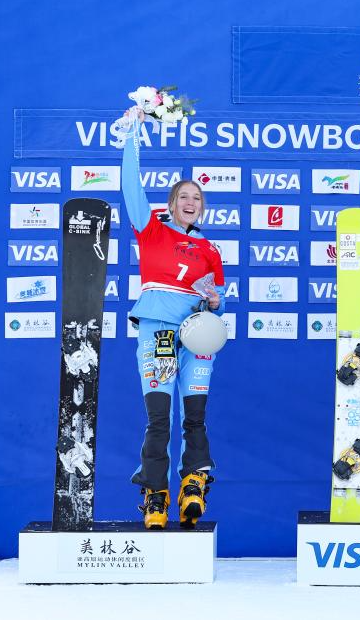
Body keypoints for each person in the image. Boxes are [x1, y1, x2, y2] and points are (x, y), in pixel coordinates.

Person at [120, 111, 226, 530]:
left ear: (203, 207)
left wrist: (214, 301)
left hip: (197, 335)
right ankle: (155, 494)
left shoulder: (210, 250)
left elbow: (217, 301)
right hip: (160, 330)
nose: (190, 202)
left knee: (195, 415)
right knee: (160, 418)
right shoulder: (152, 229)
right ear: (171, 203)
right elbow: (131, 186)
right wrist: (133, 135)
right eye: (184, 196)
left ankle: (193, 485)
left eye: (197, 197)